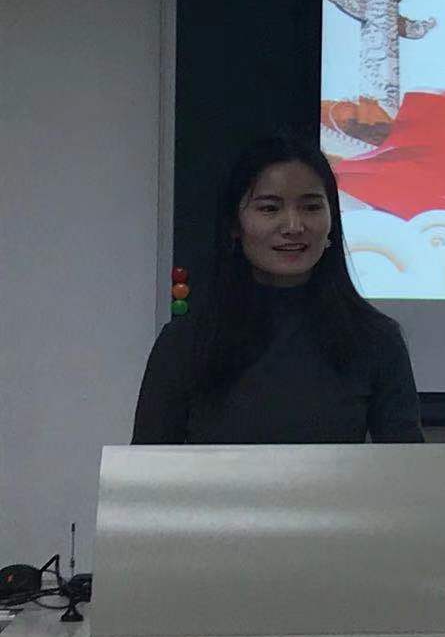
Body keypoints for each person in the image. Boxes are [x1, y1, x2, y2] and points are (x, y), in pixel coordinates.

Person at [132, 133, 424, 443]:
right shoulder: (185, 343)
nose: (294, 226)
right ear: (235, 224)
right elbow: (145, 467)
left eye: (311, 207)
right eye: (270, 209)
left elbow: (407, 467)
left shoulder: (376, 340)